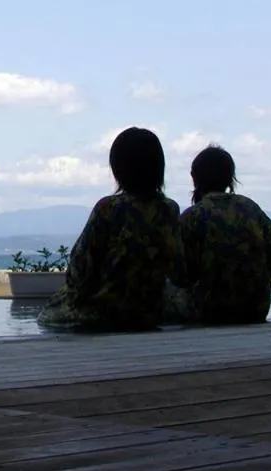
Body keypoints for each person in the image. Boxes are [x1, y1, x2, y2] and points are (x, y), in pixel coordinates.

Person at [38, 127, 182, 332]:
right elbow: (178, 270)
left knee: (47, 314)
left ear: (118, 168)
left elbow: (79, 270)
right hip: (149, 312)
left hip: (103, 313)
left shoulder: (109, 208)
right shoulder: (170, 210)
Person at [169, 144, 271, 325]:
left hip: (207, 313)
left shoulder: (193, 216)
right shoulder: (250, 209)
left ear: (194, 178)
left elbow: (179, 275)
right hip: (254, 310)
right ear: (230, 178)